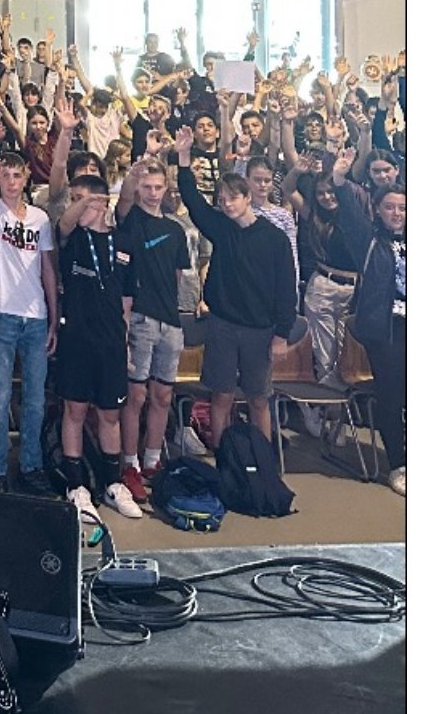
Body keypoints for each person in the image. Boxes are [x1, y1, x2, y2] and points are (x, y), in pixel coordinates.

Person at [174, 126, 299, 445]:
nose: (227, 204)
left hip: (261, 329)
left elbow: (287, 288)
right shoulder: (221, 228)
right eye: (222, 200)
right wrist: (184, 158)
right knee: (221, 397)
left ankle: (263, 458)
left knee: (259, 399)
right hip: (223, 325)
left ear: (247, 198)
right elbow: (193, 201)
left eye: (233, 198)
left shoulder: (275, 238)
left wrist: (282, 334)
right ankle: (222, 457)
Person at [53, 174, 140, 520]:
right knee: (74, 411)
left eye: (84, 200)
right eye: (74, 199)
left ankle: (113, 483)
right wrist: (81, 204)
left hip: (111, 343)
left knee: (109, 414)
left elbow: (127, 301)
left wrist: (126, 343)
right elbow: (64, 222)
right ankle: (76, 486)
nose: (76, 206)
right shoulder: (72, 238)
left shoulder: (124, 242)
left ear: (102, 204)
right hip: (76, 340)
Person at [0, 152, 58, 496]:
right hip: (1, 314)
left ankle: (31, 466)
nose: (11, 182)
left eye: (16, 175)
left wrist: (53, 317)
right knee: (0, 399)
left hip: (35, 316)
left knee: (35, 400)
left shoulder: (40, 218)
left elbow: (48, 268)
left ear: (26, 178)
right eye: (6, 176)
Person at [113, 158, 191, 490]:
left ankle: (152, 459)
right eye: (147, 187)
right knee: (136, 395)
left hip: (170, 321)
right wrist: (134, 174)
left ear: (166, 189)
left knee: (162, 395)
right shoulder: (131, 220)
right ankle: (129, 461)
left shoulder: (176, 230)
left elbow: (177, 276)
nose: (152, 193)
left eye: (158, 187)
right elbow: (123, 201)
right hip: (141, 318)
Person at [338, 179, 406, 496]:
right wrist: (339, 181)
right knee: (392, 396)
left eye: (402, 207)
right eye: (390, 207)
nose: (397, 213)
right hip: (385, 329)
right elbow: (350, 215)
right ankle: (398, 465)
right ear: (378, 210)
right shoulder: (369, 240)